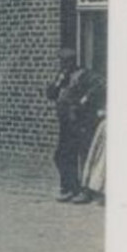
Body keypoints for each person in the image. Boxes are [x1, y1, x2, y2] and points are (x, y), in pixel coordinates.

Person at [46, 49, 106, 203]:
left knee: (84, 155)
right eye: (62, 62)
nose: (64, 65)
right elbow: (51, 95)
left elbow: (100, 85)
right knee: (62, 155)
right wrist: (57, 82)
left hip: (81, 122)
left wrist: (83, 101)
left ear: (74, 61)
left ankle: (85, 191)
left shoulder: (85, 75)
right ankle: (69, 187)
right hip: (66, 123)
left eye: (67, 62)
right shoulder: (62, 77)